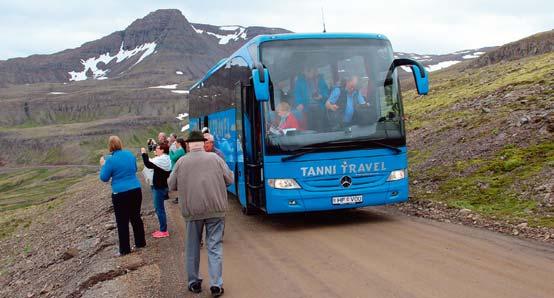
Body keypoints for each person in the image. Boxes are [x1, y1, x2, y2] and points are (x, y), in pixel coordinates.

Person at [168, 131, 234, 297]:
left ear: (189, 144)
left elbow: (171, 185)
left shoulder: (181, 162)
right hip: (216, 210)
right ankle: (216, 284)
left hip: (192, 212)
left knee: (192, 247)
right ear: (202, 143)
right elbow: (229, 180)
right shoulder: (216, 159)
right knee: (214, 246)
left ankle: (194, 282)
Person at [99, 136, 146, 256]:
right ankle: (141, 242)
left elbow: (104, 178)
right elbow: (134, 169)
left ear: (110, 146)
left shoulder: (110, 160)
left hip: (120, 193)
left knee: (122, 221)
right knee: (136, 217)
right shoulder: (129, 155)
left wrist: (103, 165)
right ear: (120, 143)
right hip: (135, 189)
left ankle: (125, 249)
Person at [141, 143, 171, 238]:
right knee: (160, 209)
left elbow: (148, 164)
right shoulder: (165, 159)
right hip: (162, 186)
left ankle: (163, 230)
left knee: (159, 209)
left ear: (162, 150)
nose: (156, 150)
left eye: (157, 148)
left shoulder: (162, 159)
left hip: (159, 187)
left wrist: (144, 153)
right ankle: (163, 229)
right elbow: (153, 163)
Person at [169, 138, 187, 204]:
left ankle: (180, 198)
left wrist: (170, 151)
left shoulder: (180, 150)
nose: (175, 145)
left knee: (179, 184)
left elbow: (173, 158)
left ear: (179, 144)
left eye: (176, 143)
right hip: (177, 168)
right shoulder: (181, 150)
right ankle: (179, 197)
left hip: (177, 169)